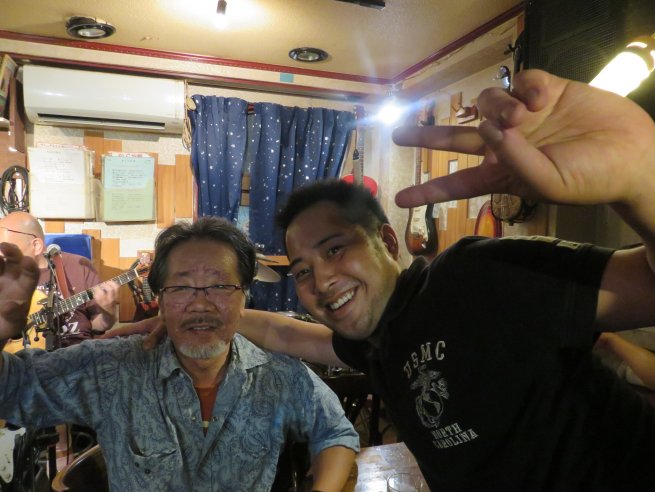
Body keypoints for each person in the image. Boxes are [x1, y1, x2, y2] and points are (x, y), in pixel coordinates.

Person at [233, 69, 655, 491]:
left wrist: (642, 175)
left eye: (335, 249)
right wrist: (211, 308)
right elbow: (282, 333)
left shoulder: (470, 275)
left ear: (387, 241)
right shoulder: (378, 342)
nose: (321, 281)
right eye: (303, 270)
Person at [0, 216, 358, 492]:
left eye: (220, 285)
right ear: (160, 299)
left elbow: (336, 432)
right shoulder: (112, 368)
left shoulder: (276, 375)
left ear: (243, 296)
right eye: (182, 287)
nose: (200, 304)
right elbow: (11, 389)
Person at [0, 211, 118, 350]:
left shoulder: (79, 265)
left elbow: (99, 326)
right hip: (26, 357)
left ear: (36, 246)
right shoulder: (4, 277)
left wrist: (108, 312)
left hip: (79, 352)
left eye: (5, 247)